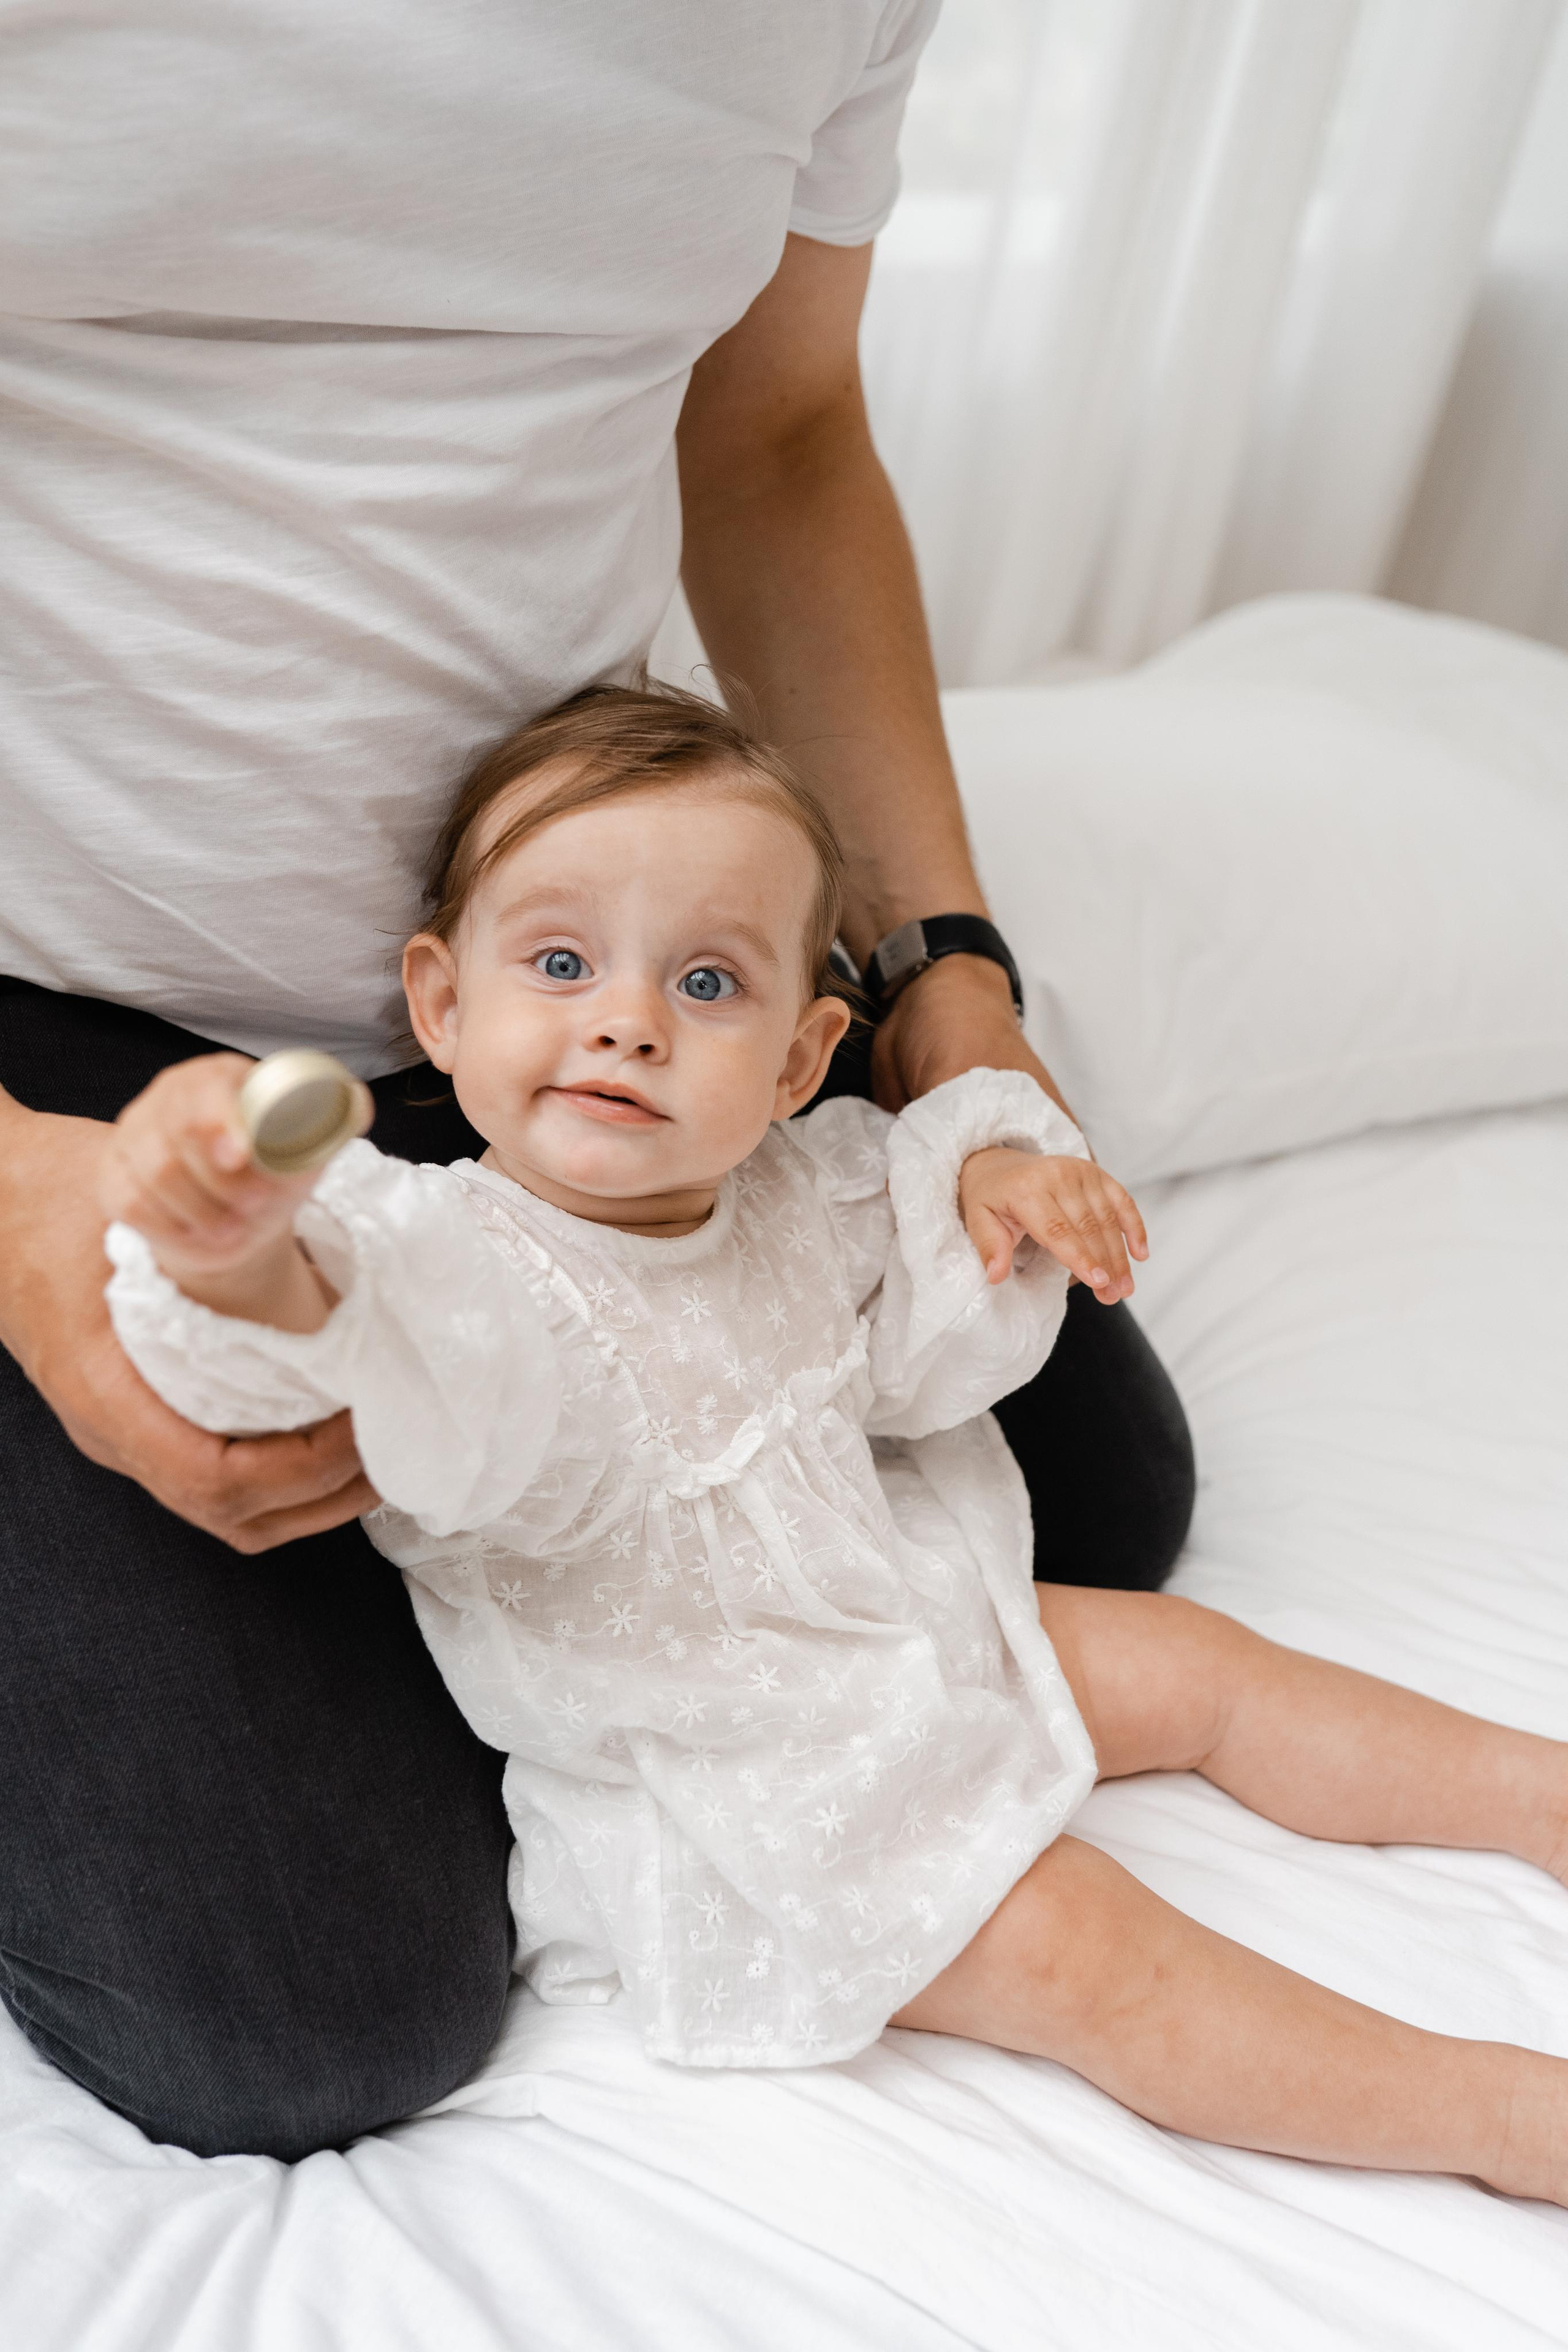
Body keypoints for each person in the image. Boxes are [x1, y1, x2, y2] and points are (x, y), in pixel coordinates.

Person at [0, 2, 1191, 2157]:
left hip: (588, 960)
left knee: (1096, 1491)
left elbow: (780, 429)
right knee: (299, 2018)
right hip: (59, 1007)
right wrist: (12, 1196)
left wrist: (941, 973)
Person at [102, 688, 1568, 2203]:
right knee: (1085, 1947)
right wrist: (234, 1247)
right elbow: (338, 1331)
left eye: (707, 982)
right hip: (735, 1783)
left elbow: (917, 1325)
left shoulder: (796, 1193)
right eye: (559, 963)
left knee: (1196, 1664)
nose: (626, 1020)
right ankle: (1503, 2119)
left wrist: (996, 1185)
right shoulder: (460, 1268)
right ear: (441, 1005)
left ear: (800, 1062)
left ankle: (1540, 1793)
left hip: (891, 1616)